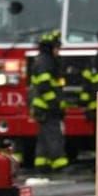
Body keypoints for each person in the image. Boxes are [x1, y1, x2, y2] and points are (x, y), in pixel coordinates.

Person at [28, 30, 69, 172]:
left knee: (44, 136)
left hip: (41, 107)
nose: (58, 51)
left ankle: (42, 163)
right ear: (50, 48)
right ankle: (59, 164)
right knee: (54, 135)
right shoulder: (46, 62)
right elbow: (44, 86)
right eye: (57, 48)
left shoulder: (43, 60)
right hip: (47, 107)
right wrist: (54, 104)